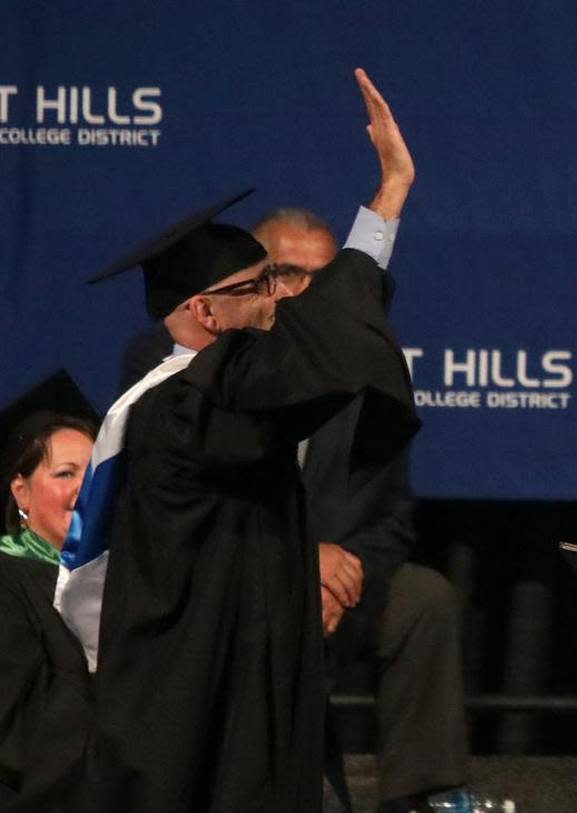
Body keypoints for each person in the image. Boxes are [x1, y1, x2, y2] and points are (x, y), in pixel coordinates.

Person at [72, 69, 420, 812]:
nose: (278, 301)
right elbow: (311, 348)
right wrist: (387, 196)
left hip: (228, 665)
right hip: (190, 692)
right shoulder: (183, 403)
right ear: (203, 309)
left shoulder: (203, 393)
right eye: (261, 285)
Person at [255, 209, 470, 813]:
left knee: (423, 600)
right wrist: (303, 565)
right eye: (288, 272)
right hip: (247, 578)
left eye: (321, 279)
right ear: (255, 279)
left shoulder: (369, 379)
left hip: (340, 587)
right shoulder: (218, 372)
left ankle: (418, 795)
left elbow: (391, 517)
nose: (304, 292)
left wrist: (340, 577)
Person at [0, 371, 98, 810]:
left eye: (95, 473)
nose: (83, 488)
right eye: (64, 473)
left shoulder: (122, 580)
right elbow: (20, 730)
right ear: (21, 492)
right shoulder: (7, 583)